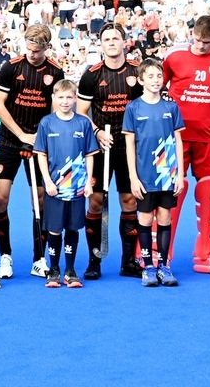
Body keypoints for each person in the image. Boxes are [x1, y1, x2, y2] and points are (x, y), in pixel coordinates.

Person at [162, 15, 210, 272]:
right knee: (169, 190)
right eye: (197, 40)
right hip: (176, 137)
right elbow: (154, 89)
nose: (201, 45)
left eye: (207, 42)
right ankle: (159, 252)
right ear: (191, 33)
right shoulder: (173, 56)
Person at [0, 24, 64, 279]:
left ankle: (39, 257)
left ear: (46, 47)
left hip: (40, 143)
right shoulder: (11, 67)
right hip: (10, 141)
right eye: (29, 49)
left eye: (37, 50)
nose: (32, 54)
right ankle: (5, 256)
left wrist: (38, 137)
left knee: (42, 200)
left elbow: (56, 110)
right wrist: (21, 134)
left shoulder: (55, 71)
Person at [76, 24, 143, 279]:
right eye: (107, 39)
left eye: (116, 38)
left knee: (129, 201)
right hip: (101, 146)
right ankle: (94, 261)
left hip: (129, 147)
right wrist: (96, 132)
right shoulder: (91, 75)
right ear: (100, 44)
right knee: (95, 202)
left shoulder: (138, 71)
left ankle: (129, 262)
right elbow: (81, 113)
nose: (112, 42)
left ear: (124, 42)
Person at [124, 59, 186, 288]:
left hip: (167, 175)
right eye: (150, 76)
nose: (155, 80)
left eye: (159, 76)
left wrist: (178, 174)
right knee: (145, 219)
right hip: (144, 175)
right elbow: (130, 144)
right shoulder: (133, 108)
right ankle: (148, 266)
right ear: (141, 80)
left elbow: (178, 141)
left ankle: (164, 265)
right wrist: (133, 176)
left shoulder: (171, 107)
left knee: (164, 218)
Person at [35, 79, 98, 289]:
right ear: (53, 98)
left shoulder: (83, 123)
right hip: (55, 189)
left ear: (75, 99)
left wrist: (88, 182)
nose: (65, 101)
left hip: (77, 189)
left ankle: (70, 271)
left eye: (69, 97)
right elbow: (41, 155)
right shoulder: (46, 123)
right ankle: (54, 270)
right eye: (60, 97)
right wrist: (48, 181)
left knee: (73, 229)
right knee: (54, 230)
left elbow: (90, 154)